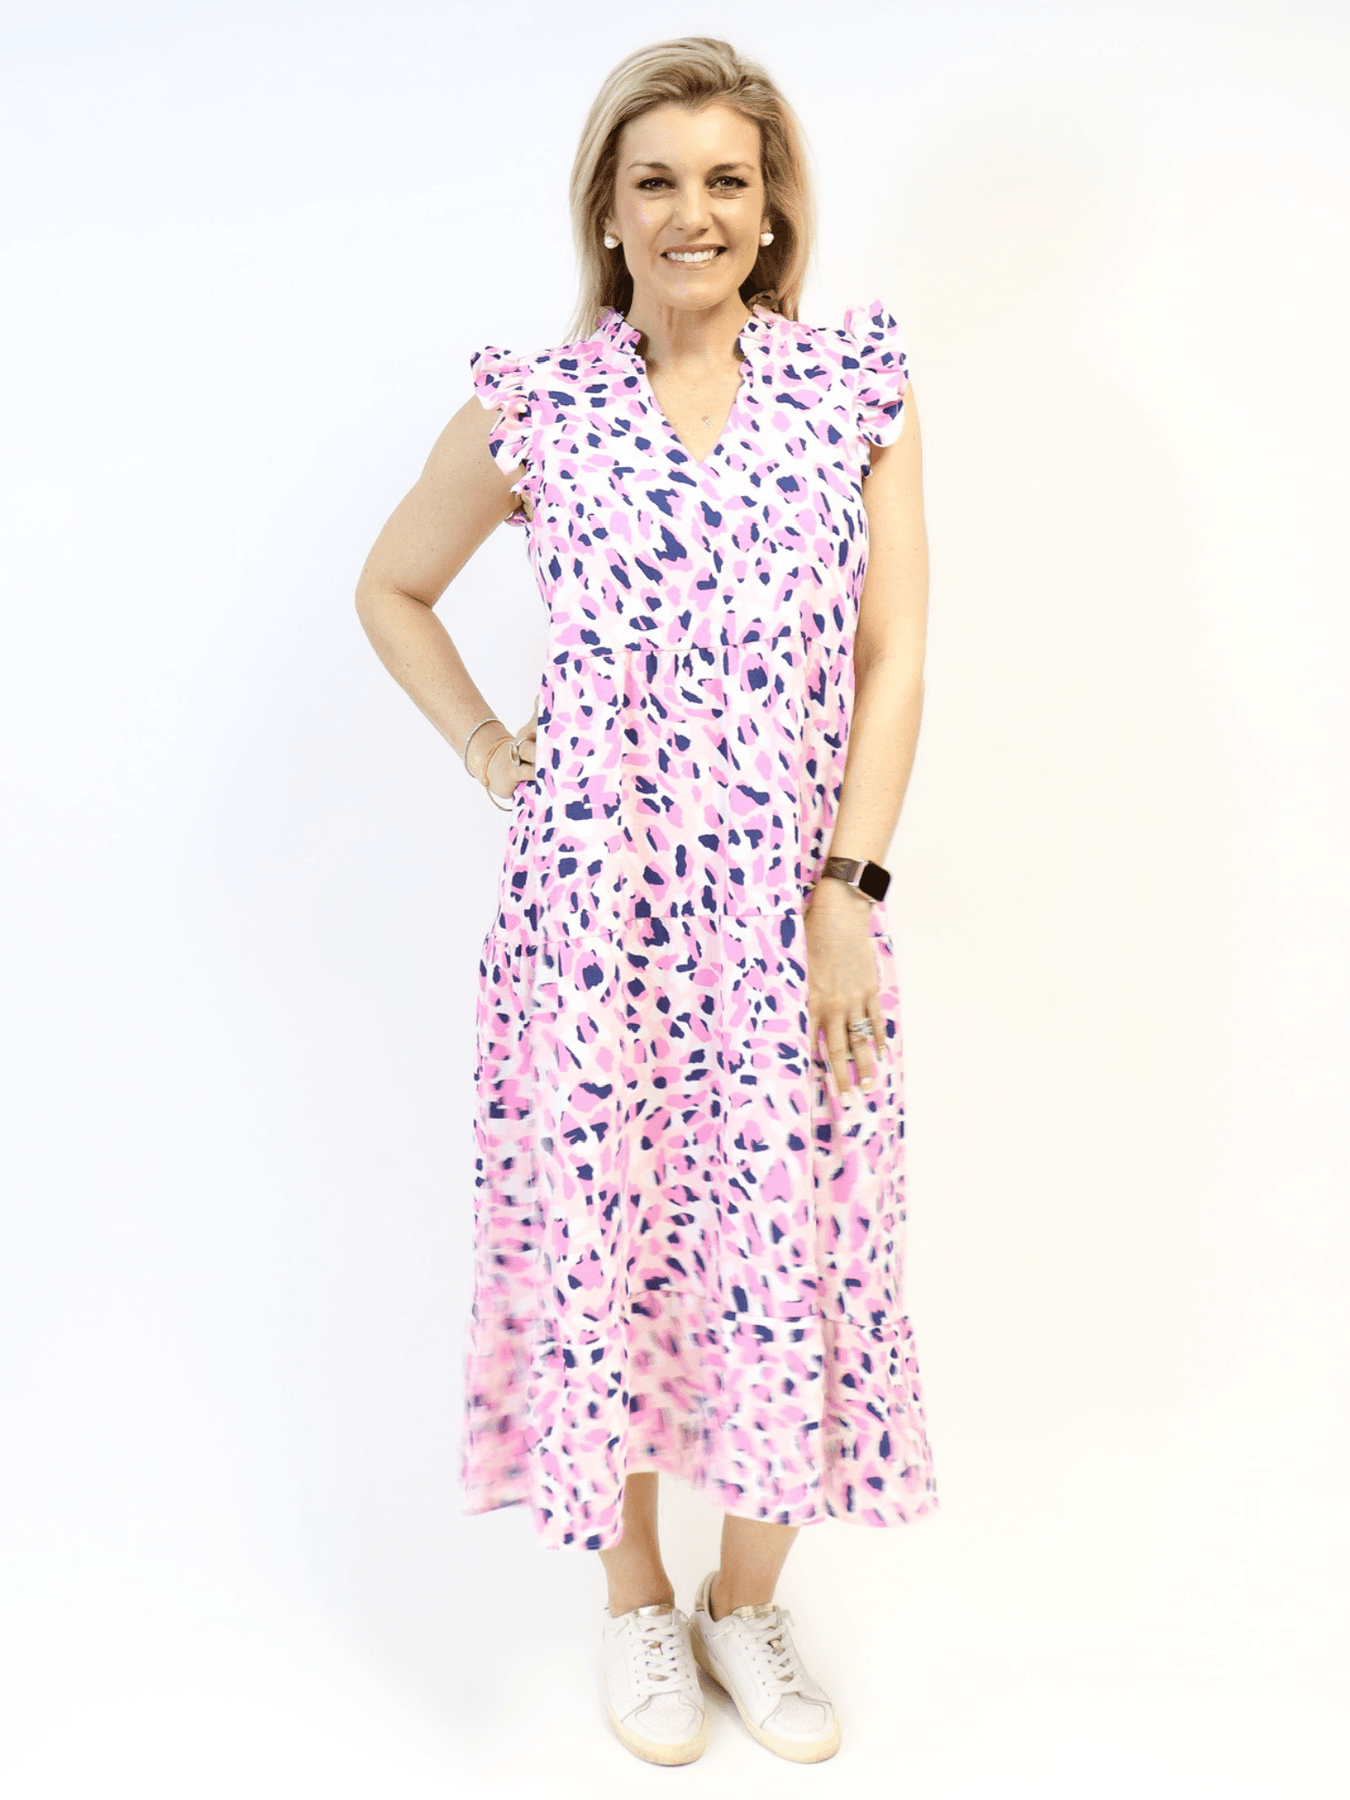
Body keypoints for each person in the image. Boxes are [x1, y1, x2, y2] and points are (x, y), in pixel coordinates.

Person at [355, 34, 936, 1768]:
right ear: (607, 210)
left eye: (727, 180)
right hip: (591, 925)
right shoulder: (540, 409)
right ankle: (634, 1607)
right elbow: (392, 587)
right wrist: (490, 747)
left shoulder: (854, 391)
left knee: (798, 1242)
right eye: (658, 179)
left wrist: (846, 891)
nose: (695, 212)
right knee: (599, 1241)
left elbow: (896, 659)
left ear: (771, 209)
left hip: (792, 917)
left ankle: (745, 1603)